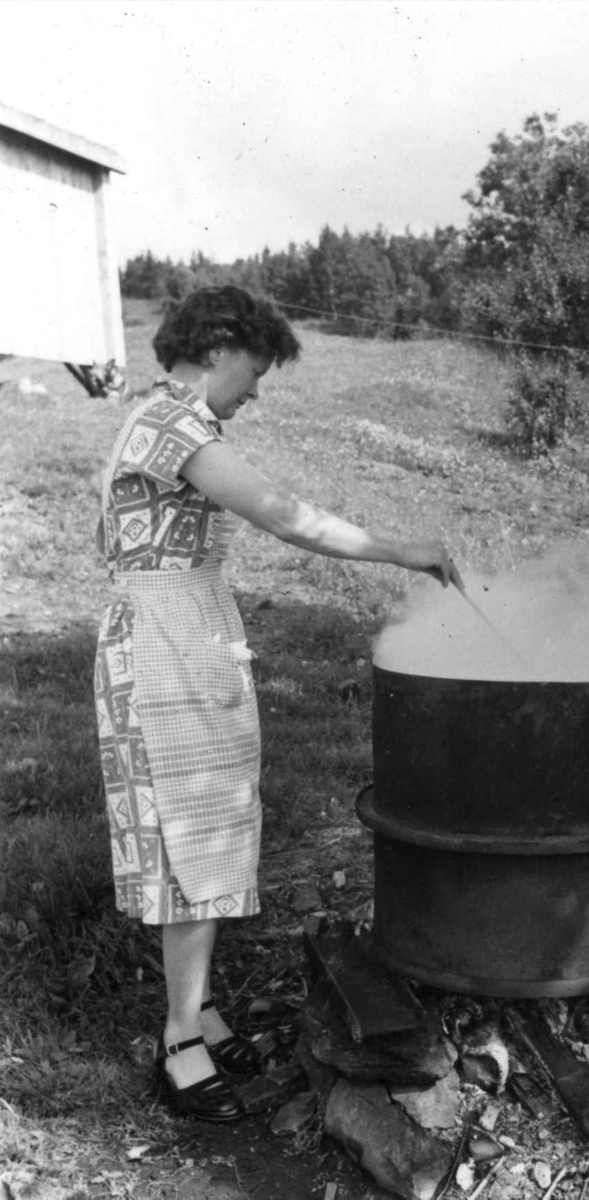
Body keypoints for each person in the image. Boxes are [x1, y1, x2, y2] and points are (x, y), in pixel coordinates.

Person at [93, 285, 461, 1123]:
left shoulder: (174, 420)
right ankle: (179, 1040)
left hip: (186, 628)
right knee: (186, 832)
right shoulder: (173, 424)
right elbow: (284, 517)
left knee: (213, 822)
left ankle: (201, 1010)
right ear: (218, 346)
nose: (255, 391)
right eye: (254, 371)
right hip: (163, 642)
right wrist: (408, 553)